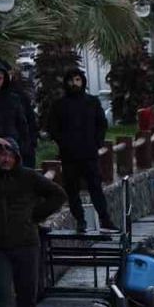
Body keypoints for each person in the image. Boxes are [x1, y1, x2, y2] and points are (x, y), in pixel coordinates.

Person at [0, 137, 67, 307]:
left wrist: (35, 215)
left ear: (16, 157)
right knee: (3, 295)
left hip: (26, 243)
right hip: (0, 248)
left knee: (28, 293)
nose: (5, 159)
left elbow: (58, 194)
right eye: (0, 155)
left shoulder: (28, 177)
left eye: (9, 155)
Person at [48, 69, 115, 232]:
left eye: (77, 80)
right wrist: (64, 143)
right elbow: (53, 128)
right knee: (72, 190)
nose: (74, 84)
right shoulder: (59, 105)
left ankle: (105, 219)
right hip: (69, 156)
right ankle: (80, 221)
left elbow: (101, 124)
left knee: (96, 188)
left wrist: (97, 143)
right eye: (71, 80)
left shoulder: (92, 102)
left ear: (82, 81)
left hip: (89, 154)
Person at [0, 61, 38, 168]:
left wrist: (25, 147)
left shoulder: (14, 99)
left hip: (13, 151)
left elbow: (23, 125)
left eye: (0, 78)